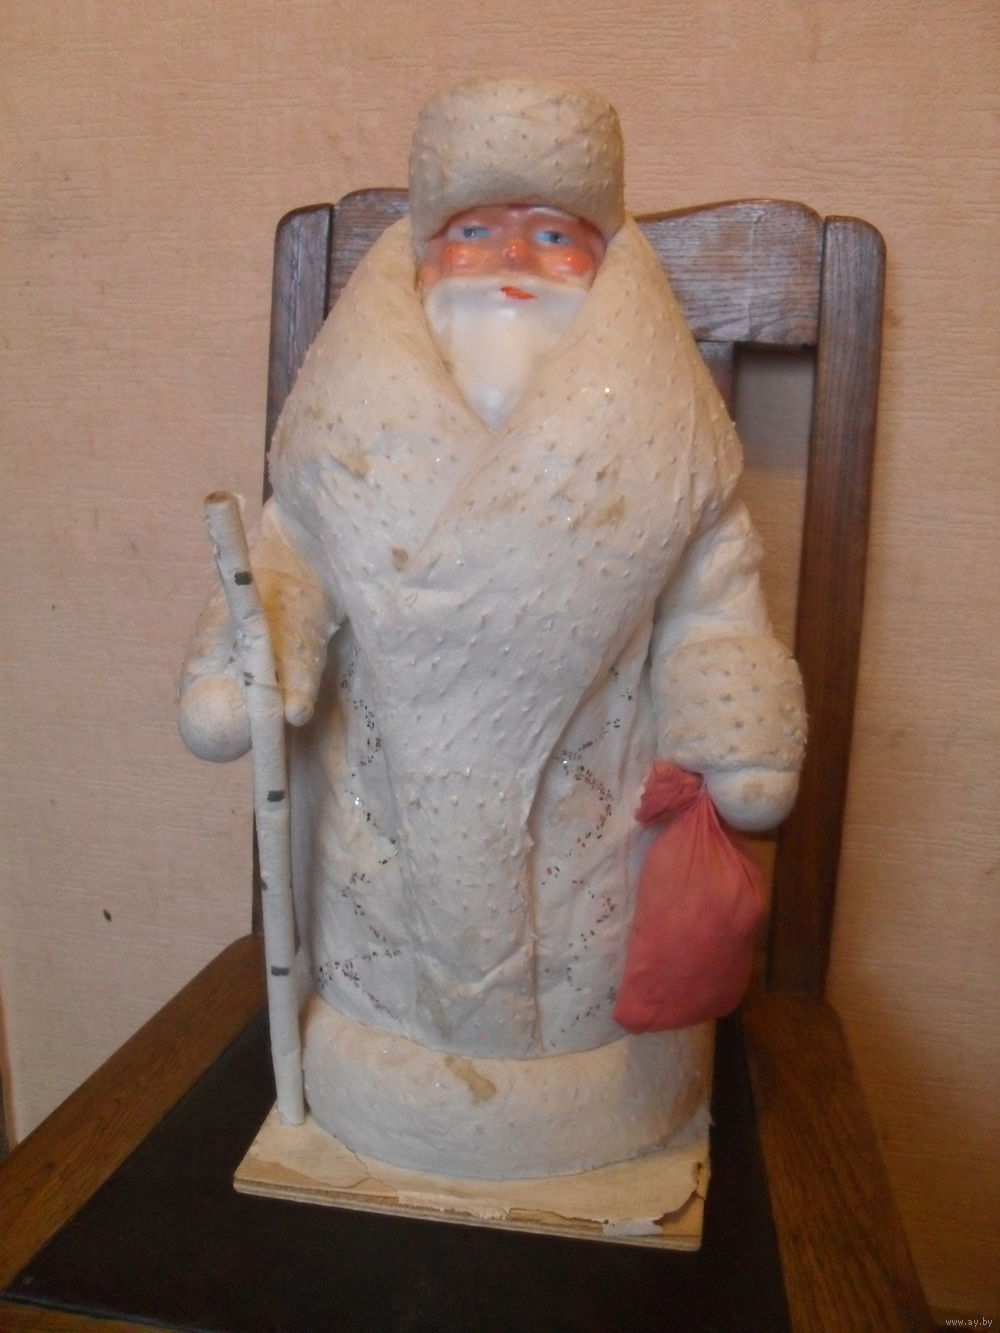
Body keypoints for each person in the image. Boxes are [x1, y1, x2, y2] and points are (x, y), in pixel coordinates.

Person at [179, 77, 805, 1178]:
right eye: (473, 231)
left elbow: (713, 601)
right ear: (425, 257)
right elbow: (288, 561)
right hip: (382, 842)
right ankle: (397, 1051)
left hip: (587, 836)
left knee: (579, 963)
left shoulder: (672, 453)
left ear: (603, 264)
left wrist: (735, 717)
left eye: (553, 236)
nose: (511, 261)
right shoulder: (338, 435)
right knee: (392, 958)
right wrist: (247, 660)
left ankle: (587, 1078)